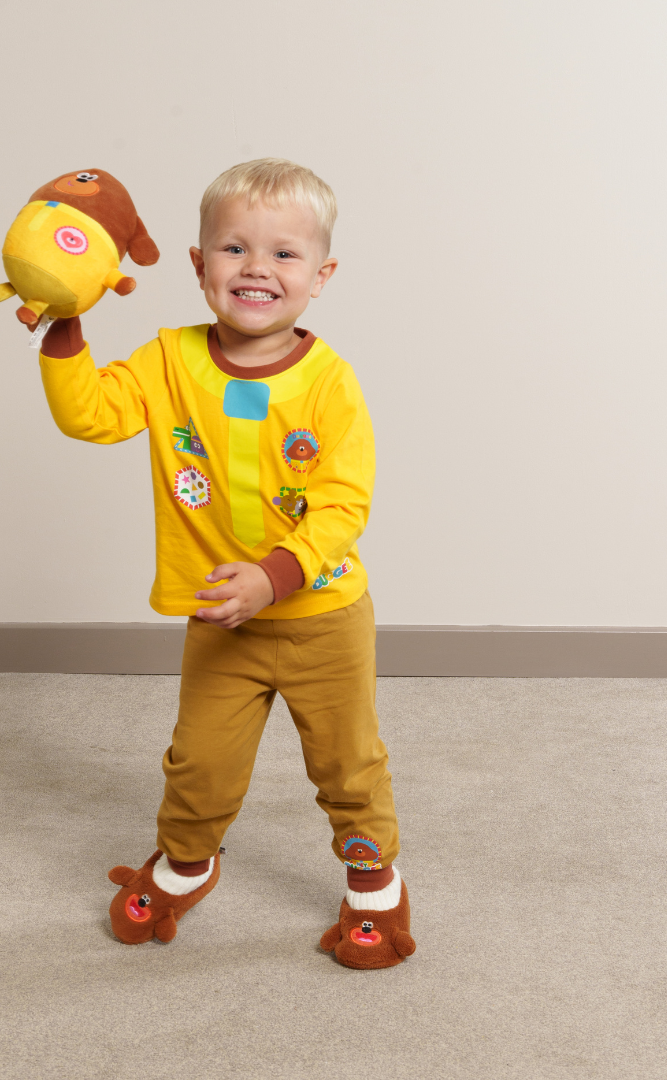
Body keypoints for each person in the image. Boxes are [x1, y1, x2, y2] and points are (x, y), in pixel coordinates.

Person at [37, 158, 414, 968]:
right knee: (198, 762)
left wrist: (274, 576)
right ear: (198, 265)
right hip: (220, 620)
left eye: (284, 254)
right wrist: (65, 325)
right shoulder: (169, 360)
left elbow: (344, 507)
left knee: (348, 763)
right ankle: (185, 861)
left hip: (322, 619)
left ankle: (374, 883)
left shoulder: (330, 384)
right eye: (234, 248)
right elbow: (92, 417)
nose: (256, 268)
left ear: (321, 276)